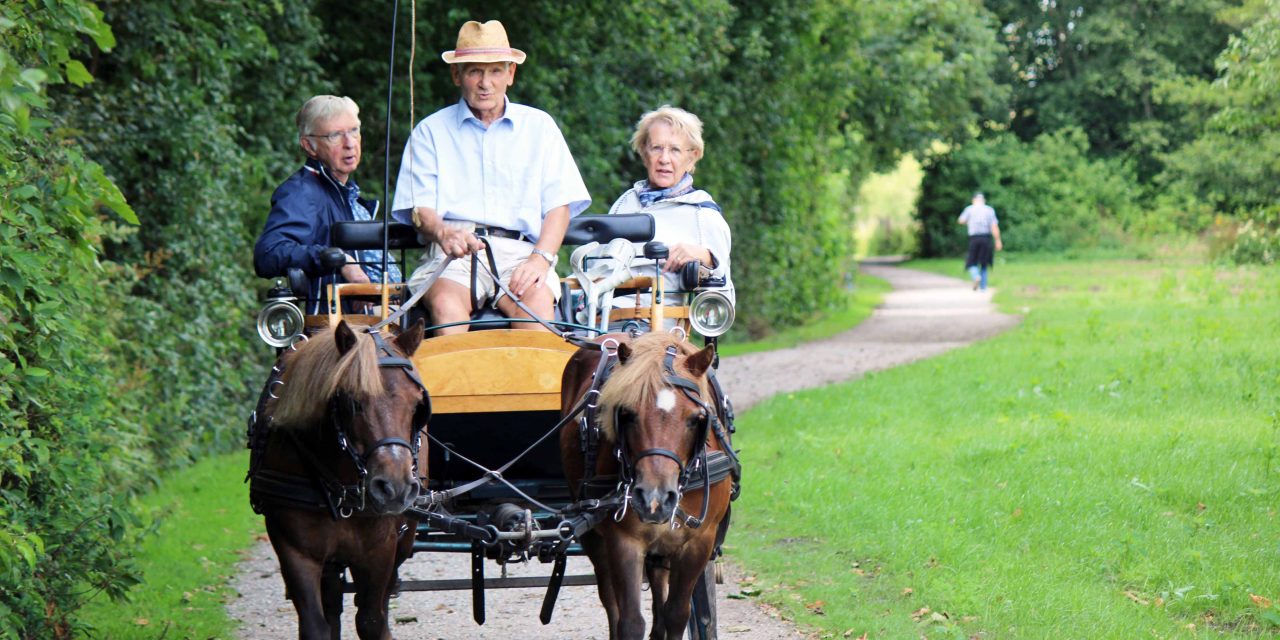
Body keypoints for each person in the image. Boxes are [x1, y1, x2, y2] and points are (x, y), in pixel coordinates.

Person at [391, 20, 590, 335]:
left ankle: (537, 386)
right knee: (445, 306)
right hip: (455, 254)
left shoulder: (540, 127)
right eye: (474, 72)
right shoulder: (430, 131)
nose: (485, 83)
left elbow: (559, 206)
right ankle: (455, 385)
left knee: (538, 312)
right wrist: (443, 232)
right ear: (457, 76)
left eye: (496, 71)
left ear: (511, 74)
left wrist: (541, 259)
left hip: (522, 254)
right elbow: (421, 210)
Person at [254, 95, 401, 313]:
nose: (350, 143)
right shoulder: (300, 192)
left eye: (354, 130)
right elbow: (268, 253)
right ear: (309, 146)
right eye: (335, 135)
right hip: (341, 332)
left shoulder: (349, 197)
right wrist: (338, 259)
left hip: (384, 319)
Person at [607, 105, 733, 326]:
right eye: (656, 148)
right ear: (645, 153)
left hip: (657, 330)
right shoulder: (625, 202)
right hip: (600, 318)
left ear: (692, 157)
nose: (664, 159)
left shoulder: (702, 215)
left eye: (675, 150)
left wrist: (706, 257)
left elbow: (721, 300)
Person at [957, 191, 1002, 290]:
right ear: (983, 200)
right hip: (986, 238)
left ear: (973, 200)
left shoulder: (969, 209)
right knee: (984, 263)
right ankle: (983, 287)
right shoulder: (989, 210)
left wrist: (969, 221)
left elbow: (961, 220)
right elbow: (994, 226)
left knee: (971, 261)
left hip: (974, 238)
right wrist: (998, 240)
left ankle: (976, 276)